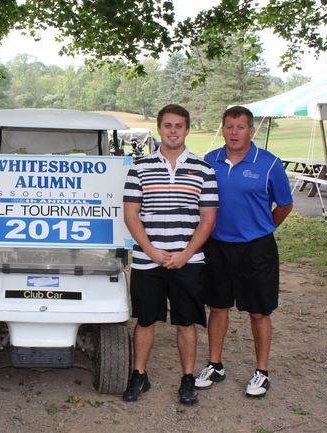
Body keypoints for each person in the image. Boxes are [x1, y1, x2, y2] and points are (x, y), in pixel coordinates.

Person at [122, 104, 218, 405]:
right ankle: (139, 375)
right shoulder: (139, 168)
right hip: (147, 260)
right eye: (167, 125)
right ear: (159, 128)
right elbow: (131, 215)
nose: (173, 131)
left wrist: (186, 254)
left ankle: (188, 378)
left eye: (178, 125)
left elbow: (208, 219)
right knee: (145, 320)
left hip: (187, 261)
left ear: (187, 129)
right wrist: (150, 250)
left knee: (186, 321)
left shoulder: (204, 169)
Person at [197, 106, 293, 398]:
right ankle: (215, 365)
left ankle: (261, 372)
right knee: (218, 307)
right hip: (217, 246)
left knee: (259, 312)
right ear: (223, 130)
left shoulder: (269, 163)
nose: (234, 132)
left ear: (251, 130)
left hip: (256, 248)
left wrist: (262, 228)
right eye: (229, 126)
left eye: (240, 127)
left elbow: (285, 204)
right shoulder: (210, 160)